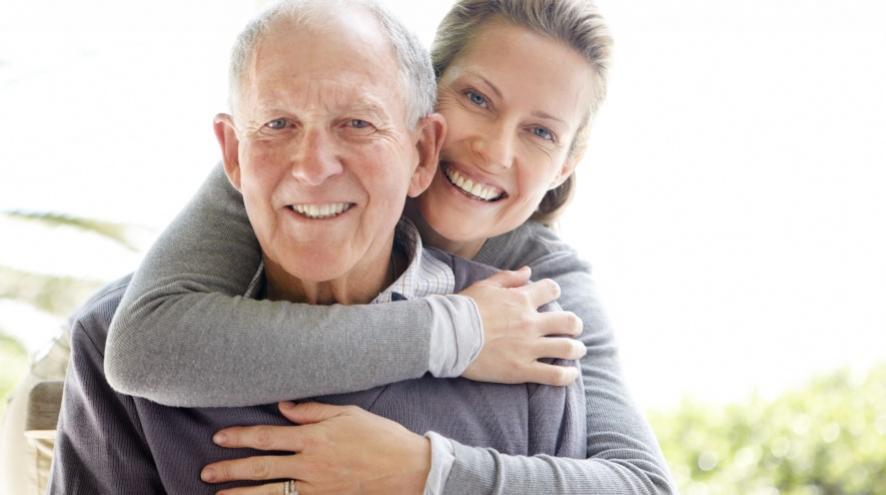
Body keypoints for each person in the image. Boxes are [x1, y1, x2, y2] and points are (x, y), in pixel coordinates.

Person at [105, 0, 675, 493]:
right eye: (477, 98)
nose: (495, 151)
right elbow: (138, 344)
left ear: (565, 166)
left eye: (541, 132)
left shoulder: (545, 293)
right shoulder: (299, 166)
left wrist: (424, 471)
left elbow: (640, 483)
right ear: (423, 97)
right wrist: (457, 332)